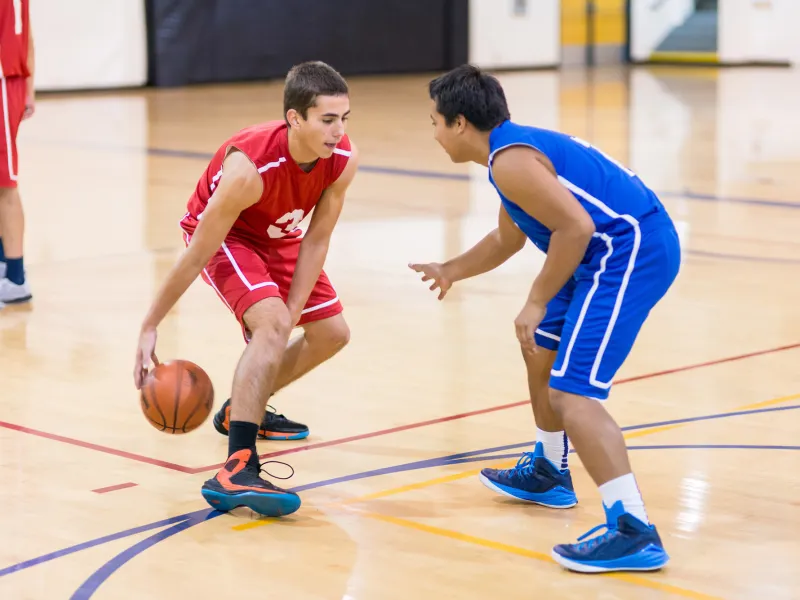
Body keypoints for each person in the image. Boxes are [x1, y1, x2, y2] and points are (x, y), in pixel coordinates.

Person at [409, 64, 680, 573]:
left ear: (461, 122)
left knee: (574, 393)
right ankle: (550, 471)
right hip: (601, 253)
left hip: (628, 252)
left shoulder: (512, 162)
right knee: (540, 348)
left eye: (435, 122)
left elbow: (575, 227)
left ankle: (634, 530)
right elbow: (506, 239)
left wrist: (535, 300)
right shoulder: (508, 155)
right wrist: (451, 269)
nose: (435, 133)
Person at [133, 61, 358, 517]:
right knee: (271, 325)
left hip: (280, 233)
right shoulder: (248, 170)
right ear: (295, 118)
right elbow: (196, 253)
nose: (338, 131)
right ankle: (237, 466)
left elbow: (317, 237)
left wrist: (295, 308)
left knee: (333, 333)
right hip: (227, 234)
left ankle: (243, 407)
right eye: (327, 120)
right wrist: (150, 324)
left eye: (344, 119)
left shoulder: (342, 159)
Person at [0, 0, 35, 306]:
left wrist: (27, 84)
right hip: (11, 82)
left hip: (3, 82)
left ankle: (15, 278)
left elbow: (25, 33)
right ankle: (4, 266)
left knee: (5, 184)